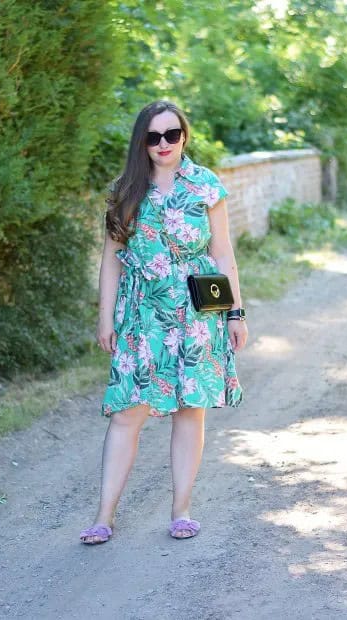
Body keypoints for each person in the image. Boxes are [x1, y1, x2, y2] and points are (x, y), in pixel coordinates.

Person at [80, 100, 247, 544]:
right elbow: (112, 259)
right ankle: (103, 517)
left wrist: (235, 312)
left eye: (172, 134)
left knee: (190, 410)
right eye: (153, 137)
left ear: (184, 135)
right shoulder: (125, 191)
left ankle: (181, 511)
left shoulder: (206, 186)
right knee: (126, 412)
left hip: (197, 311)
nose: (164, 144)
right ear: (142, 142)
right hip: (141, 313)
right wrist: (105, 317)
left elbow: (223, 253)